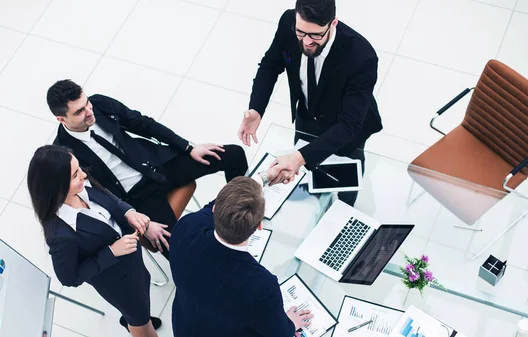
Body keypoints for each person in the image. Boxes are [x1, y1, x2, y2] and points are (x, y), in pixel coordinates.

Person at [48, 79, 248, 256]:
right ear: (61, 119)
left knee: (234, 155)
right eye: (79, 111)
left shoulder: (99, 103)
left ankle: (245, 212)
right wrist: (141, 222)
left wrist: (188, 147)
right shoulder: (64, 154)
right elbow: (94, 196)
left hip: (156, 166)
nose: (89, 112)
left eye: (86, 103)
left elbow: (143, 124)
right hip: (136, 199)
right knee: (180, 250)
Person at [238, 0, 383, 206]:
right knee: (310, 168)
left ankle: (345, 203)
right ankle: (317, 193)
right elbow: (271, 65)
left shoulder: (361, 55)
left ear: (333, 23)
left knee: (346, 175)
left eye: (316, 35)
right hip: (307, 116)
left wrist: (299, 158)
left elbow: (350, 125)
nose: (306, 42)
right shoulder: (289, 21)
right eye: (301, 33)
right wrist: (256, 108)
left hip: (345, 127)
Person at [27, 145, 166, 336]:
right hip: (119, 283)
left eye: (79, 169)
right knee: (141, 323)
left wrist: (128, 212)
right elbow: (69, 278)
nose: (83, 175)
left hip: (133, 263)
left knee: (140, 307)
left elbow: (111, 200)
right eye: (75, 174)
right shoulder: (60, 234)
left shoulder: (83, 185)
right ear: (57, 186)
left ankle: (135, 319)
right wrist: (111, 252)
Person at [169, 170, 313, 337]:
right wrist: (290, 323)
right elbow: (279, 333)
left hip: (186, 324)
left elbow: (211, 207)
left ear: (215, 209)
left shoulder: (187, 226)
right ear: (259, 226)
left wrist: (263, 178)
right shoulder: (262, 285)